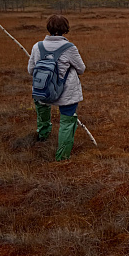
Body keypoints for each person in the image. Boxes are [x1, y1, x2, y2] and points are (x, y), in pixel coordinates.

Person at [27, 14, 86, 161]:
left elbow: (31, 70)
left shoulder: (37, 46)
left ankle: (43, 137)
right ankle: (62, 157)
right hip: (66, 93)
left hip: (42, 90)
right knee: (66, 122)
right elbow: (81, 69)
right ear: (66, 29)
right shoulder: (70, 48)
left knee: (43, 113)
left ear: (48, 28)